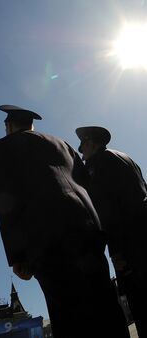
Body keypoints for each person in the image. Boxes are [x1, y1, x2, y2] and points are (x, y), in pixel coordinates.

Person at [0, 105, 130, 338]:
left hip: (47, 239)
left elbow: (4, 199)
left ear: (9, 126)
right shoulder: (63, 145)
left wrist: (17, 256)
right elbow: (86, 185)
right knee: (105, 304)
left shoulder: (2, 146)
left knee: (67, 313)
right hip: (89, 231)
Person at [76, 126, 147, 337]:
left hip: (131, 246)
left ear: (92, 143)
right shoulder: (125, 158)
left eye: (83, 146)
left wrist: (116, 252)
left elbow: (107, 213)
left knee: (142, 305)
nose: (81, 153)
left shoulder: (98, 164)